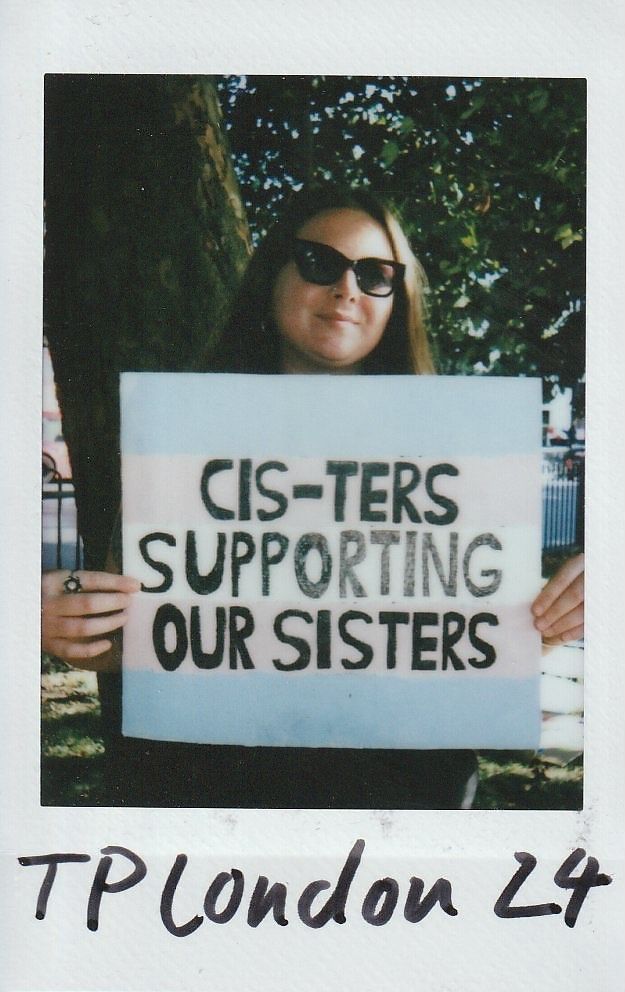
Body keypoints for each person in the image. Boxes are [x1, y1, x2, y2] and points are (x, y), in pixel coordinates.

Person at [41, 185, 585, 807]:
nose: (348, 289)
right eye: (320, 263)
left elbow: (462, 640)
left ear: (397, 298)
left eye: (376, 274)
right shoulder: (180, 439)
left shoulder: (455, 453)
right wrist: (54, 618)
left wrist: (541, 625)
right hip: (217, 794)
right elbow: (141, 639)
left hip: (403, 799)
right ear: (272, 276)